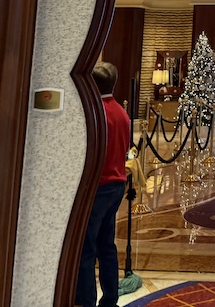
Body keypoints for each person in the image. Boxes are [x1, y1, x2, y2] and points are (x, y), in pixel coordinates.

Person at [76, 61, 129, 307]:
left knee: (85, 249)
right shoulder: (121, 112)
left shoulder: (97, 113)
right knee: (106, 245)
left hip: (98, 186)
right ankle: (110, 299)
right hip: (117, 184)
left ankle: (85, 301)